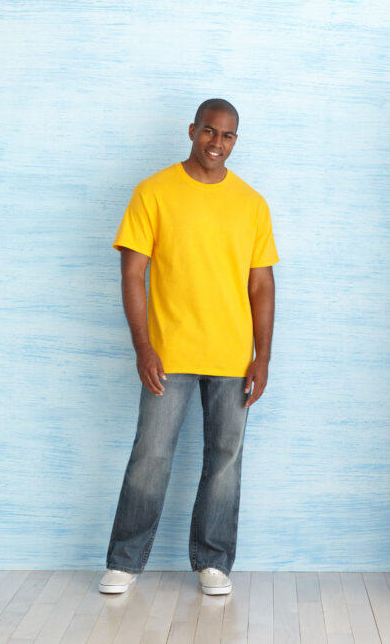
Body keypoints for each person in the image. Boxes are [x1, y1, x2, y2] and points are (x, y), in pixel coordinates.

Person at [99, 98, 280, 596]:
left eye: (227, 135)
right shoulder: (153, 192)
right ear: (192, 130)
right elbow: (132, 275)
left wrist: (262, 357)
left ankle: (213, 562)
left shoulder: (251, 203)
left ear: (235, 140)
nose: (216, 143)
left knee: (225, 460)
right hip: (169, 352)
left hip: (232, 355)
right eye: (208, 131)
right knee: (151, 456)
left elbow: (261, 284)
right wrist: (143, 347)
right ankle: (124, 562)